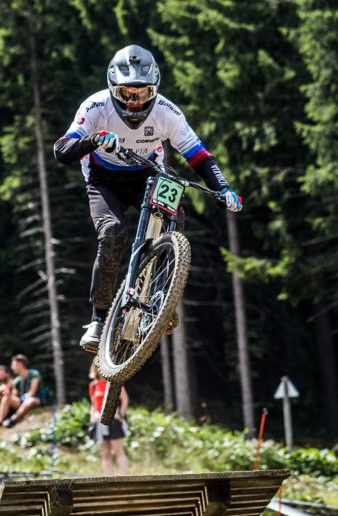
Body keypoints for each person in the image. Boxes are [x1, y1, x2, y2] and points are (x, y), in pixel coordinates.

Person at [53, 45, 243, 353]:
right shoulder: (96, 107)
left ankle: (161, 298)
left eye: (143, 93)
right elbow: (62, 150)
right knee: (112, 234)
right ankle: (98, 319)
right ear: (113, 89)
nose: (134, 101)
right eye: (127, 93)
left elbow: (199, 155)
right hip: (104, 180)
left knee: (175, 215)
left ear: (155, 90)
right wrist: (96, 140)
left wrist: (222, 188)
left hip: (147, 174)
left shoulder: (167, 112)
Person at [88, 364, 129, 475]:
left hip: (113, 420)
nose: (99, 370)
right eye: (97, 367)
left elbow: (124, 399)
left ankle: (125, 479)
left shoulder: (114, 383)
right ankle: (108, 480)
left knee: (118, 450)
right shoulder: (93, 385)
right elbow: (93, 404)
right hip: (98, 422)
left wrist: (121, 415)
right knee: (105, 453)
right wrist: (92, 418)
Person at [0, 354, 50, 428]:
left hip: (37, 400)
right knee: (6, 398)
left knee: (29, 400)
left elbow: (32, 393)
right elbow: (15, 395)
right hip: (24, 401)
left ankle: (12, 420)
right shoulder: (17, 380)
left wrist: (23, 397)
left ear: (20, 364)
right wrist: (8, 394)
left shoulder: (34, 374)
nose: (12, 367)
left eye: (13, 364)